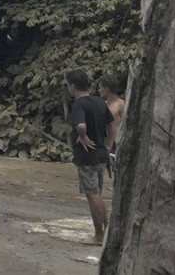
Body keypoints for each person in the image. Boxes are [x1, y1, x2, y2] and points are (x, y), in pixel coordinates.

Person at [66, 69, 115, 245]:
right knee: (97, 194)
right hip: (101, 154)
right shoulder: (99, 102)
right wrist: (109, 144)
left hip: (87, 156)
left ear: (72, 86)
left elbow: (80, 125)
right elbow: (111, 124)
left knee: (92, 195)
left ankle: (99, 236)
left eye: (68, 85)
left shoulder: (79, 104)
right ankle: (109, 230)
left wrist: (83, 136)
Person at [98, 74, 125, 176]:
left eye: (100, 88)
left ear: (106, 89)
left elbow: (126, 124)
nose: (99, 90)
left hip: (119, 142)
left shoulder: (120, 104)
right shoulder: (103, 105)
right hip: (107, 142)